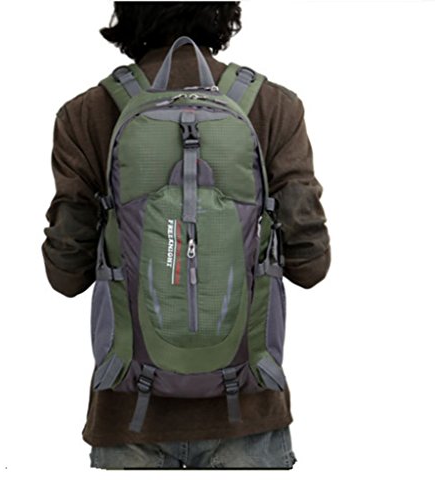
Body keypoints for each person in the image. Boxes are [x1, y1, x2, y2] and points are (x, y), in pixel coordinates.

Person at [41, 1, 331, 469]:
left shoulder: (85, 113)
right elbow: (311, 265)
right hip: (249, 414)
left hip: (128, 416)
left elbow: (65, 275)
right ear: (222, 10)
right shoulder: (273, 106)